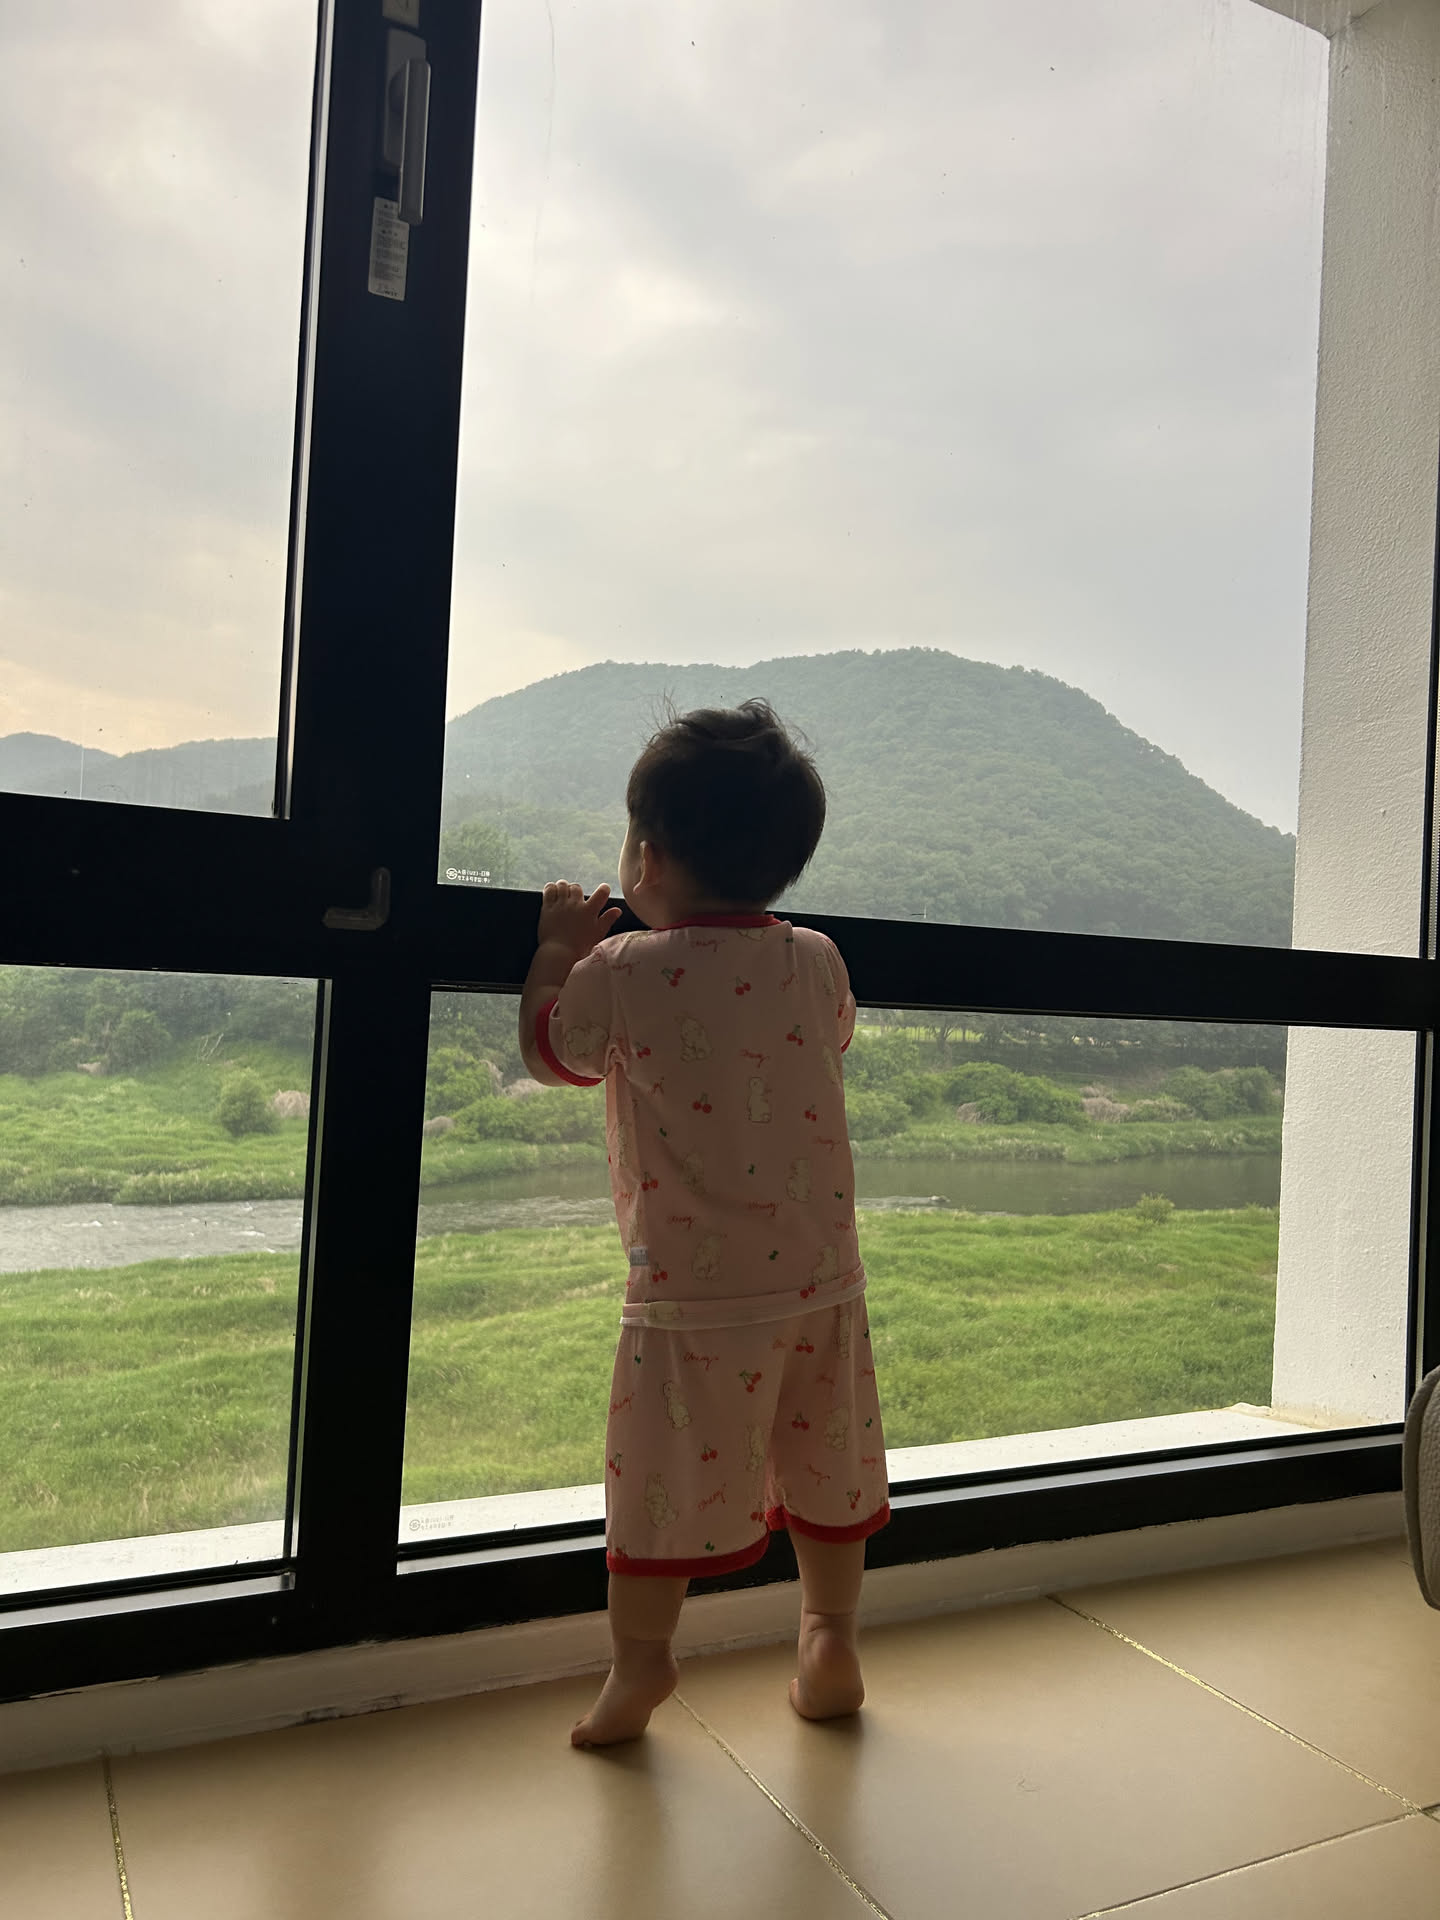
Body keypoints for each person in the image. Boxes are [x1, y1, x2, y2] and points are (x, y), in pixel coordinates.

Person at [518, 699, 889, 1748]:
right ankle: (829, 1638)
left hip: (690, 1295)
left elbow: (555, 1053)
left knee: (661, 1479)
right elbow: (831, 1038)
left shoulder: (623, 970)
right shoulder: (818, 959)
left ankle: (641, 1663)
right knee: (825, 1460)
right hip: (822, 1280)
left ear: (645, 857)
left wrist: (554, 951)